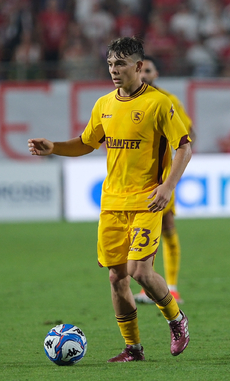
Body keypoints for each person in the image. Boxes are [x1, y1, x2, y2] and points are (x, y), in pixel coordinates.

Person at [28, 37, 192, 362]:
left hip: (147, 201)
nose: (114, 70)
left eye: (121, 64)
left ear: (139, 67)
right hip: (112, 203)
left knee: (140, 272)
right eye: (110, 64)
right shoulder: (104, 104)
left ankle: (177, 320)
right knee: (116, 278)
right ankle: (133, 348)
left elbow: (184, 147)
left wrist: (168, 187)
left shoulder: (159, 104)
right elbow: (87, 143)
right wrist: (55, 147)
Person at [134, 55, 195, 305]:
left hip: (161, 178)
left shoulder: (169, 101)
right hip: (134, 181)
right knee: (140, 232)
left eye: (149, 70)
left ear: (155, 74)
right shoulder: (126, 101)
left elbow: (187, 135)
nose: (145, 75)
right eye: (142, 70)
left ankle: (171, 287)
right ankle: (147, 284)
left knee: (167, 228)